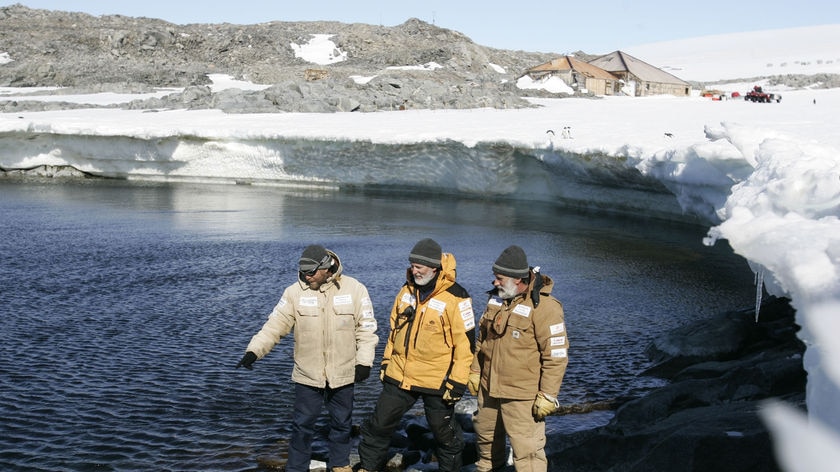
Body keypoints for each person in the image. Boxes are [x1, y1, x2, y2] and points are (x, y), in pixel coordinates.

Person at [236, 244, 378, 472]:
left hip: (343, 372)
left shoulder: (355, 289)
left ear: (326, 267)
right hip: (307, 374)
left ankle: (340, 465)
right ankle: (296, 468)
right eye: (302, 271)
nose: (306, 276)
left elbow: (367, 329)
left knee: (342, 424)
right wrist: (254, 351)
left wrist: (364, 362)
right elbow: (275, 325)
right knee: (302, 426)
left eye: (311, 272)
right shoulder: (294, 293)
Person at [358, 238, 475, 472]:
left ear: (435, 267)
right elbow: (394, 331)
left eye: (419, 266)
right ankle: (368, 468)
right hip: (400, 374)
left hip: (438, 380)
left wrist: (458, 382)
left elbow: (466, 346)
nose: (414, 270)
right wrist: (386, 362)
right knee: (377, 426)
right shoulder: (406, 290)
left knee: (445, 437)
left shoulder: (457, 297)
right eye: (412, 265)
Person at [468, 245, 569, 472]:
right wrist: (475, 370)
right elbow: (482, 340)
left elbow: (556, 356)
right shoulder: (497, 299)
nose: (495, 283)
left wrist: (548, 395)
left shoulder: (546, 309)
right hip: (488, 389)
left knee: (528, 454)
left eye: (499, 279)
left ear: (518, 279)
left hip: (522, 396)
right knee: (485, 446)